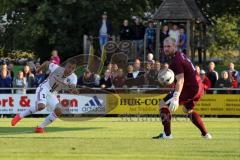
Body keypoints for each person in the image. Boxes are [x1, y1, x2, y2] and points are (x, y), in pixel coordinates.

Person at [152, 37, 212, 139]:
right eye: (164, 46)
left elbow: (181, 80)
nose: (166, 49)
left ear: (175, 46)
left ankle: (167, 135)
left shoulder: (176, 60)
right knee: (187, 110)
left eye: (168, 46)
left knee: (163, 104)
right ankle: (206, 134)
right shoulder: (180, 55)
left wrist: (176, 97)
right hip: (198, 87)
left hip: (190, 88)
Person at [11, 61, 78, 133]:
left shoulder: (73, 77)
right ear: (66, 66)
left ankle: (40, 127)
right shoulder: (57, 68)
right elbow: (46, 63)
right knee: (41, 106)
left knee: (59, 110)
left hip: (52, 94)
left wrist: (73, 89)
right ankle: (19, 116)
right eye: (69, 67)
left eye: (73, 68)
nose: (70, 69)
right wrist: (38, 70)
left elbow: (73, 86)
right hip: (44, 88)